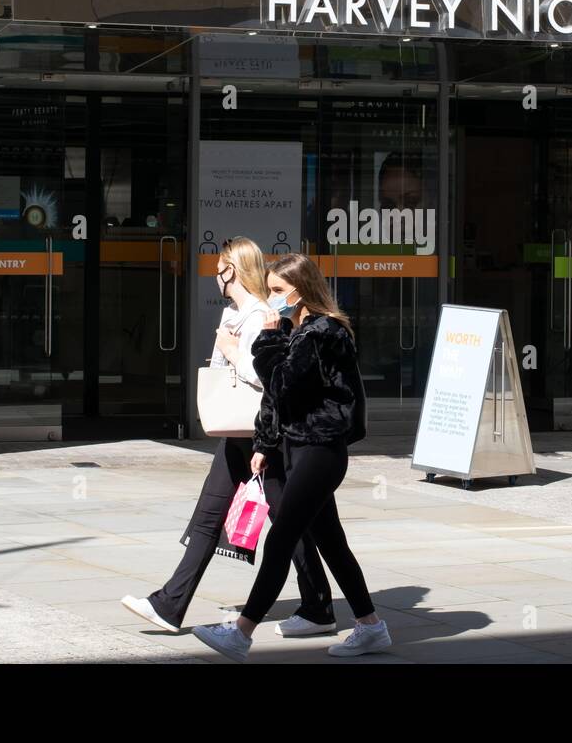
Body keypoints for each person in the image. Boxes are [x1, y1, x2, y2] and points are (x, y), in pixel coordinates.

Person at [121, 238, 336, 636]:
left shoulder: (257, 315)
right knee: (212, 518)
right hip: (242, 434)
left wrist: (232, 351)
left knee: (289, 522)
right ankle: (170, 604)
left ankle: (318, 607)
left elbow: (264, 377)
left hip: (257, 434)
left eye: (219, 267)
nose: (214, 276)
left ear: (231, 270)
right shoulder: (238, 314)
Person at [192, 253, 388, 662]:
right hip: (299, 446)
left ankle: (242, 633)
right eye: (271, 291)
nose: (273, 299)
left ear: (302, 290)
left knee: (281, 538)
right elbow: (279, 400)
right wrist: (264, 444)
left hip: (321, 448)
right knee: (332, 543)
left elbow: (278, 383)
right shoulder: (298, 330)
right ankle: (371, 626)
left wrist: (265, 340)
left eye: (279, 291)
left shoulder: (323, 332)